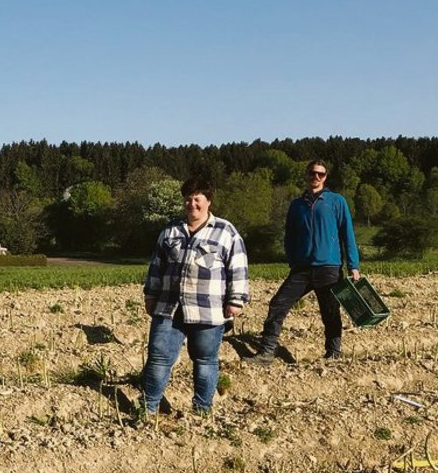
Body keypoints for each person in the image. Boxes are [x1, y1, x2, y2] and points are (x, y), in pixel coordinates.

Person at [141, 178, 250, 415]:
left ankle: (201, 410)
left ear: (208, 201)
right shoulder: (170, 231)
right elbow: (156, 266)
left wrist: (236, 300)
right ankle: (148, 408)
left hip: (208, 310)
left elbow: (238, 267)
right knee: (158, 358)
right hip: (169, 308)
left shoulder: (225, 232)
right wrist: (150, 295)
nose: (192, 204)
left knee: (205, 360)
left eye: (197, 199)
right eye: (188, 199)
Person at [254, 160, 361, 362]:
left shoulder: (336, 201)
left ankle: (333, 353)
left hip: (329, 267)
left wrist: (353, 266)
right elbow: (290, 234)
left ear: (325, 177)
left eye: (320, 174)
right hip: (302, 269)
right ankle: (267, 351)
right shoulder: (297, 205)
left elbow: (347, 234)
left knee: (330, 311)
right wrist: (292, 259)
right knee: (278, 304)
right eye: (312, 173)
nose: (316, 177)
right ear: (306, 175)